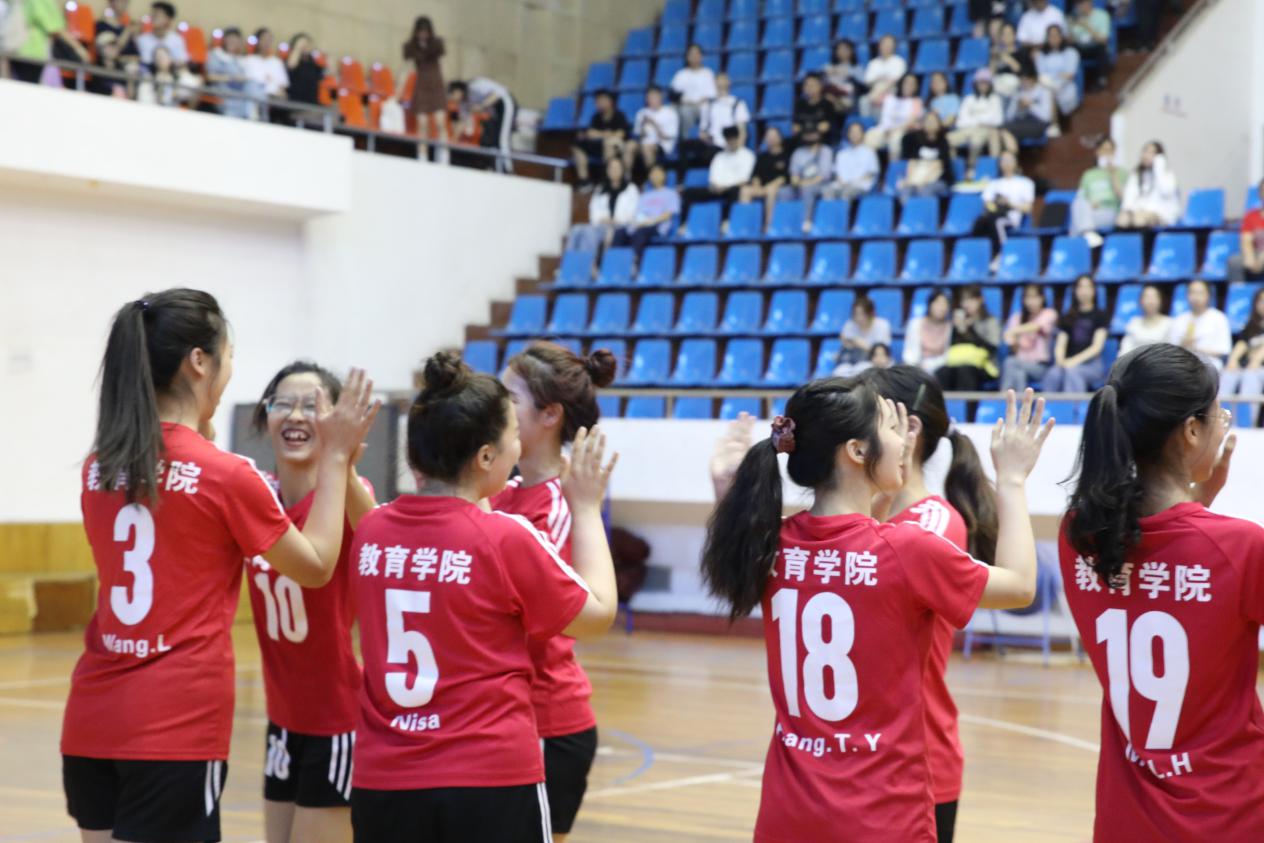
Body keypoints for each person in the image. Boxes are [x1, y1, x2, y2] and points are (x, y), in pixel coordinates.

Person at [62, 289, 378, 843]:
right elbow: (315, 565)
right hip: (174, 726)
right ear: (199, 362)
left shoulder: (98, 466)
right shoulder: (228, 475)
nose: (231, 371)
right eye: (229, 356)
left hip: (91, 719)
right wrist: (335, 456)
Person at [701, 379, 1050, 843]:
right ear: (857, 451)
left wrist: (724, 490)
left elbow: (758, 534)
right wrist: (1012, 479)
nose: (904, 441)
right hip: (880, 815)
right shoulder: (907, 549)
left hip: (788, 813)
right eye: (891, 428)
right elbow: (1021, 585)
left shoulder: (774, 543)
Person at [348, 352, 618, 843]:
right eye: (510, 430)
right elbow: (596, 615)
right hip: (487, 769)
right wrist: (587, 508)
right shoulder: (504, 534)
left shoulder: (370, 531)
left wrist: (339, 463)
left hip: (385, 772)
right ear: (486, 456)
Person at [1061, 342, 1261, 843]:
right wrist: (1198, 510)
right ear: (1191, 431)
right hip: (1230, 816)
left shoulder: (1079, 535)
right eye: (1219, 415)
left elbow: (1158, 551)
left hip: (1124, 820)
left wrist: (1195, 505)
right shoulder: (1240, 547)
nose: (1222, 426)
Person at [858, 365, 1003, 843]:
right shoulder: (867, 520)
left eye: (867, 416)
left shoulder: (934, 523)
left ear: (910, 430)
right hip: (860, 757)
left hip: (916, 762)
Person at [249, 363, 378, 843]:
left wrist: (343, 461)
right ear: (266, 417)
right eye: (283, 404)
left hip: (338, 724)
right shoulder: (257, 496)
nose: (297, 415)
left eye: (313, 405)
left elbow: (378, 533)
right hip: (283, 721)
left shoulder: (348, 496)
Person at [494, 343, 617, 843]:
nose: (496, 408)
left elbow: (538, 615)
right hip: (504, 718)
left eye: (509, 399)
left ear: (550, 415)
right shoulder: (502, 493)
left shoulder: (559, 505)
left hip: (546, 722)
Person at [1044, 274, 1109, 392]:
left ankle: (1074, 404)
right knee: (1053, 373)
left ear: (1094, 291)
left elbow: (1096, 348)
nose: (1084, 291)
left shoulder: (1101, 316)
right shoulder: (1067, 317)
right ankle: (1046, 404)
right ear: (1075, 291)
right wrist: (1060, 361)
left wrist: (1073, 361)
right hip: (1067, 362)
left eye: (1088, 287)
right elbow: (1060, 344)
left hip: (1091, 365)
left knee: (1072, 372)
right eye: (1081, 287)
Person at [680, 71, 751, 176]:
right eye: (718, 80)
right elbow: (703, 131)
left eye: (723, 80)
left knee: (711, 153)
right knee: (684, 145)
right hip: (710, 144)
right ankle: (683, 179)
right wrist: (704, 136)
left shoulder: (737, 104)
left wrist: (737, 152)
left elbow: (742, 131)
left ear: (728, 82)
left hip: (726, 145)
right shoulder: (708, 105)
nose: (720, 83)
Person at [565, 157, 639, 254]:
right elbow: (593, 211)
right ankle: (568, 261)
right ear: (607, 171)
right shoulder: (600, 188)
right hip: (602, 225)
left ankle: (588, 261)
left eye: (617, 168)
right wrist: (603, 219)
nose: (614, 170)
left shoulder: (631, 189)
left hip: (621, 226)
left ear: (622, 170)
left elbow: (633, 212)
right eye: (612, 168)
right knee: (576, 229)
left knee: (589, 233)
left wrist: (615, 220)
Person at [938, 285, 1001, 392]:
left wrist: (969, 331)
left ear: (980, 300)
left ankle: (967, 403)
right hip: (959, 362)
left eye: (970, 299)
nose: (966, 304)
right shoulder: (959, 322)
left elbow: (992, 347)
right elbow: (951, 347)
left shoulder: (990, 321)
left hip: (985, 365)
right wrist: (955, 330)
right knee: (942, 372)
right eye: (964, 300)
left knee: (965, 371)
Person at [682, 126, 753, 222]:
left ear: (737, 138)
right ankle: (685, 222)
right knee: (689, 193)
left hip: (733, 189)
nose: (730, 142)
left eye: (732, 139)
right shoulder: (719, 156)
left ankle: (727, 221)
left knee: (735, 191)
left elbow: (745, 180)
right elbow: (713, 178)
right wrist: (716, 186)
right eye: (728, 140)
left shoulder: (748, 155)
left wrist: (726, 187)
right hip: (717, 189)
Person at [972, 151, 1035, 254]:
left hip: (1011, 217)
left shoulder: (1026, 183)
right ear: (1000, 163)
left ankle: (1002, 254)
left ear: (1016, 162)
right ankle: (979, 255)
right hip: (994, 215)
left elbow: (1027, 208)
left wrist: (1008, 203)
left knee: (997, 222)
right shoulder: (993, 184)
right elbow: (987, 203)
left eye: (1010, 160)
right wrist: (996, 205)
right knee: (980, 222)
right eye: (1004, 160)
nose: (1007, 163)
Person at [1000, 283, 1059, 391]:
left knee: (1010, 362)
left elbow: (1036, 326)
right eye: (1028, 297)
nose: (1031, 301)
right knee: (1018, 373)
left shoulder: (1049, 313)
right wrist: (1013, 339)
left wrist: (1013, 331)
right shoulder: (1016, 318)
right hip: (1020, 363)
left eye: (1035, 297)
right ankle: (1020, 401)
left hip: (1041, 367)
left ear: (1042, 298)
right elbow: (1011, 345)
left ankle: (1003, 397)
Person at [1219, 287, 1264, 425]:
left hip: (1257, 369)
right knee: (1228, 374)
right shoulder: (1252, 326)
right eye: (1261, 301)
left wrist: (1257, 360)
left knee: (1251, 376)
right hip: (1248, 367)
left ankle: (1246, 423)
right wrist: (1232, 360)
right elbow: (1242, 343)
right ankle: (1222, 420)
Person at [947, 69, 1004, 175]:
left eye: (985, 83)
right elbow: (960, 121)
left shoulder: (995, 99)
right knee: (947, 139)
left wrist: (975, 119)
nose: (983, 85)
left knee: (976, 139)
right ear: (975, 84)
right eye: (980, 82)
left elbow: (997, 120)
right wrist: (982, 120)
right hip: (966, 130)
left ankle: (971, 169)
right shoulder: (969, 99)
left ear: (990, 84)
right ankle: (953, 169)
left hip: (985, 130)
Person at [1071, 137, 1127, 243]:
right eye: (1104, 150)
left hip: (1110, 211)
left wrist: (1113, 175)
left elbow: (1124, 198)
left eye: (1110, 150)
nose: (1107, 154)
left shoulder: (1122, 173)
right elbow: (1080, 197)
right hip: (1090, 211)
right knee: (1078, 204)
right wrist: (1090, 203)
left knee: (1076, 222)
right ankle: (1088, 234)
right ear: (1097, 152)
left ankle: (1082, 241)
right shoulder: (1088, 175)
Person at [614, 163, 680, 254]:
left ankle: (635, 259)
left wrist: (650, 221)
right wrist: (638, 222)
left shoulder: (671, 194)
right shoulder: (644, 195)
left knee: (640, 233)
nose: (655, 175)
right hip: (640, 224)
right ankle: (616, 260)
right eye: (652, 173)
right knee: (619, 233)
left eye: (657, 172)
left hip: (657, 226)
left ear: (664, 175)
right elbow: (638, 213)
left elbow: (667, 215)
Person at [399, 16, 446, 143]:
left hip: (436, 85)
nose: (423, 34)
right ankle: (422, 153)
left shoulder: (437, 44)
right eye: (421, 31)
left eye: (426, 31)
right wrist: (399, 91)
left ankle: (444, 152)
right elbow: (405, 69)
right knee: (422, 125)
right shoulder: (411, 47)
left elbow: (443, 65)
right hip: (421, 85)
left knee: (440, 123)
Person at [1168, 279, 1232, 371]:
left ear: (1208, 295)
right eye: (1192, 293)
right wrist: (1183, 344)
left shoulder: (1219, 318)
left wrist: (1196, 349)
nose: (1196, 297)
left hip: (1210, 363)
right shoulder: (1179, 320)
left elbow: (1223, 350)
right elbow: (1171, 350)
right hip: (1183, 364)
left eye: (1200, 293)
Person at [571, 90, 629, 189]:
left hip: (616, 147)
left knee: (608, 144)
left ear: (610, 101)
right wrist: (606, 134)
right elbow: (590, 133)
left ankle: (606, 179)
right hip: (598, 145)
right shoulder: (596, 117)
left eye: (601, 100)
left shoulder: (619, 115)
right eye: (597, 101)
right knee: (577, 146)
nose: (599, 104)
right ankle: (584, 181)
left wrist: (601, 135)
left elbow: (621, 134)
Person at [1116, 140, 1181, 228]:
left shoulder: (1167, 175)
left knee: (1139, 220)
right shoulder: (1136, 174)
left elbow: (1166, 192)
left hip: (1161, 214)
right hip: (1138, 212)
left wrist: (1159, 167)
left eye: (1151, 153)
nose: (1147, 155)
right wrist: (1129, 211)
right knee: (1122, 219)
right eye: (1145, 151)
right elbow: (1128, 200)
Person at [781, 128, 834, 231]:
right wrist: (797, 182)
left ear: (818, 135)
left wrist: (805, 183)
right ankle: (785, 224)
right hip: (801, 185)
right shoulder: (798, 153)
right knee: (783, 192)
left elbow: (824, 176)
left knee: (807, 189)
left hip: (822, 186)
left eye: (812, 134)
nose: (810, 137)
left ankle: (806, 221)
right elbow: (794, 175)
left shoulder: (825, 151)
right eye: (807, 134)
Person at [740, 125, 791, 228]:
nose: (771, 139)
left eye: (774, 136)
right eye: (768, 136)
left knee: (771, 190)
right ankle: (746, 224)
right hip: (762, 187)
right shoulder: (761, 157)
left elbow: (785, 177)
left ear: (780, 138)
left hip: (777, 188)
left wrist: (771, 185)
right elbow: (755, 175)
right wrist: (757, 186)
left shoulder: (786, 156)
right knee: (745, 190)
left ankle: (768, 225)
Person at [626, 86, 680, 182]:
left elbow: (668, 137)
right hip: (643, 143)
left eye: (654, 97)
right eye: (649, 97)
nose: (651, 100)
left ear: (660, 97)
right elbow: (638, 135)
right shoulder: (642, 113)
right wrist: (642, 128)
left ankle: (651, 179)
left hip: (663, 145)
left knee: (647, 148)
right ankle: (626, 178)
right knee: (629, 145)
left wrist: (654, 125)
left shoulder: (670, 112)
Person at [463, 77, 516, 173]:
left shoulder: (475, 85)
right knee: (490, 139)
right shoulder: (465, 100)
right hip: (493, 110)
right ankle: (494, 166)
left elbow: (501, 91)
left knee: (502, 138)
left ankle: (506, 168)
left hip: (503, 103)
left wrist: (481, 106)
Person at [865, 73, 924, 159]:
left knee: (895, 141)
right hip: (883, 130)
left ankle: (893, 166)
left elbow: (911, 122)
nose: (908, 86)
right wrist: (890, 84)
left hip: (901, 131)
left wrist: (893, 131)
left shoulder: (916, 101)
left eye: (912, 84)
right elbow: (872, 98)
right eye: (906, 83)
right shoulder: (889, 98)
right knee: (869, 136)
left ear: (916, 87)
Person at [834, 295, 893, 377]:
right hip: (852, 362)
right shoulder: (849, 324)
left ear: (871, 313)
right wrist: (846, 344)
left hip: (874, 361)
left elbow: (882, 352)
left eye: (862, 314)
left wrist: (863, 345)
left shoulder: (883, 325)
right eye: (856, 314)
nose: (859, 318)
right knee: (840, 371)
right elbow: (845, 346)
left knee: (863, 368)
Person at [898, 112, 954, 198]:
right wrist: (911, 180)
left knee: (925, 190)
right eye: (928, 121)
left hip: (938, 179)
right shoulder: (916, 139)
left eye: (933, 121)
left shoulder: (943, 141)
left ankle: (925, 206)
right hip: (917, 176)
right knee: (906, 189)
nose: (931, 124)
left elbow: (938, 166)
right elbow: (912, 162)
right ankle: (907, 207)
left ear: (939, 124)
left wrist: (923, 181)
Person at [205, 27, 255, 119]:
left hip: (239, 94)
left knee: (253, 88)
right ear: (224, 40)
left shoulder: (241, 60)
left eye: (235, 40)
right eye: (230, 39)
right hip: (222, 91)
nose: (232, 42)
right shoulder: (216, 54)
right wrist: (231, 78)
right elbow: (209, 76)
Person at [670, 44, 717, 139]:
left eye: (697, 53)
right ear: (687, 57)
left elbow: (712, 95)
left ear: (701, 56)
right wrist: (687, 102)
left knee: (688, 111)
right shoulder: (681, 74)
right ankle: (679, 140)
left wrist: (698, 102)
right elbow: (673, 94)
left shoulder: (708, 73)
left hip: (702, 106)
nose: (694, 56)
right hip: (685, 104)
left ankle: (690, 139)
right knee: (670, 111)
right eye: (691, 54)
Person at [1035, 25, 1080, 119]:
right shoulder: (1041, 55)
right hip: (1046, 87)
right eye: (1051, 36)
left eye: (1056, 35)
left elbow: (1069, 75)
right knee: (1046, 94)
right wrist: (1058, 75)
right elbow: (1042, 75)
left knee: (1054, 94)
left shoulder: (1071, 52)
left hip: (1065, 87)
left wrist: (1054, 79)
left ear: (1061, 36)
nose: (1053, 38)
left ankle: (1055, 122)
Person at [1002, 69, 1056, 148]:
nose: (1024, 83)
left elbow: (1046, 117)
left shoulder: (1043, 92)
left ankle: (1010, 152)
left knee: (1005, 129)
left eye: (1026, 80)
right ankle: (1010, 151)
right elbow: (1009, 117)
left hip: (1038, 124)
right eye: (1022, 80)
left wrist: (1030, 105)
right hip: (1020, 123)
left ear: (1033, 79)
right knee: (1003, 127)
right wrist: (1018, 108)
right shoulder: (1017, 93)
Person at [903, 288, 953, 373]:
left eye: (945, 304)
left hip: (941, 369)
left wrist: (931, 365)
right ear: (930, 304)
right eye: (938, 303)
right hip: (917, 368)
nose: (941, 308)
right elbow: (909, 353)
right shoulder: (915, 324)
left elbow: (948, 356)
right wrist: (917, 367)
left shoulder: (950, 327)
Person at [830, 120, 880, 200]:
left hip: (860, 186)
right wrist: (843, 182)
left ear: (863, 134)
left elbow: (871, 173)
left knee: (847, 192)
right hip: (842, 185)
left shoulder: (870, 152)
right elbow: (837, 174)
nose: (854, 134)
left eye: (857, 132)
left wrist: (854, 182)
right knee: (828, 191)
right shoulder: (841, 154)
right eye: (852, 132)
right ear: (848, 134)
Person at [1068, 0, 1112, 90]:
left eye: (1082, 3)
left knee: (1102, 49)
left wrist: (1086, 26)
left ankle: (1101, 81)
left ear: (1089, 2)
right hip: (1080, 47)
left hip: (1095, 46)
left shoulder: (1102, 15)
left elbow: (1103, 40)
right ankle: (1071, 81)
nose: (1080, 7)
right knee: (1069, 50)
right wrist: (1070, 27)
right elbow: (1070, 40)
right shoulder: (1075, 17)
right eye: (1078, 4)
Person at [861, 35, 907, 117]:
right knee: (863, 100)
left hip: (891, 92)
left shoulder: (899, 61)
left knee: (886, 100)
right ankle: (867, 122)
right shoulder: (873, 63)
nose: (887, 47)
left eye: (889, 45)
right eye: (884, 44)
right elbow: (867, 81)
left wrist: (878, 92)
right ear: (879, 46)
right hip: (874, 91)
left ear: (894, 47)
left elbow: (894, 80)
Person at [134, 2, 187, 71]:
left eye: (157, 15)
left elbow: (182, 63)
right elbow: (143, 62)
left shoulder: (177, 40)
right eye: (152, 15)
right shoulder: (142, 39)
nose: (153, 18)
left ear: (168, 19)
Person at [1120, 284, 1172, 354]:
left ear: (1160, 301)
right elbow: (1125, 350)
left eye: (1154, 297)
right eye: (1147, 297)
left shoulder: (1169, 323)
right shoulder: (1134, 323)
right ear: (1140, 301)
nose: (1150, 301)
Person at [1230, 177, 1264, 282]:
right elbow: (1246, 240)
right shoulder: (1251, 216)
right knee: (1235, 262)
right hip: (1257, 253)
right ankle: (1239, 290)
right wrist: (1249, 256)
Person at [244, 28, 289, 103]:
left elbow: (283, 85)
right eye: (264, 39)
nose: (266, 43)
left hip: (274, 100)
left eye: (269, 40)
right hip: (253, 98)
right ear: (258, 41)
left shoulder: (277, 62)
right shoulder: (248, 60)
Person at [990, 22, 1033, 99]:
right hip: (999, 83)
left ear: (1014, 35)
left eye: (1008, 34)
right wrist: (993, 59)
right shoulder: (998, 53)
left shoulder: (1021, 52)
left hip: (1016, 84)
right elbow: (992, 73)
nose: (1006, 37)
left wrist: (1008, 59)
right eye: (1003, 34)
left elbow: (1022, 72)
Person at [793, 73, 838, 147]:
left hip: (823, 145)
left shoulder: (827, 104)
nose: (809, 88)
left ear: (820, 86)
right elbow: (795, 128)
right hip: (802, 145)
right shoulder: (799, 104)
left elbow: (825, 127)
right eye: (807, 85)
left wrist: (803, 128)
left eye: (812, 85)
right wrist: (816, 127)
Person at [822, 39, 865, 115]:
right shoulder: (828, 67)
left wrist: (849, 74)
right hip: (830, 96)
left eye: (845, 49)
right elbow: (822, 83)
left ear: (851, 51)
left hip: (848, 98)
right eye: (839, 49)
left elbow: (862, 85)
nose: (842, 51)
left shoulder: (857, 68)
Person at [285, 33, 326, 109]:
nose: (305, 46)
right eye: (303, 44)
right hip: (295, 102)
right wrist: (298, 48)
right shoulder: (292, 59)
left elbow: (329, 72)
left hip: (312, 103)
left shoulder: (313, 63)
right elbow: (291, 65)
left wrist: (325, 54)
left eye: (307, 43)